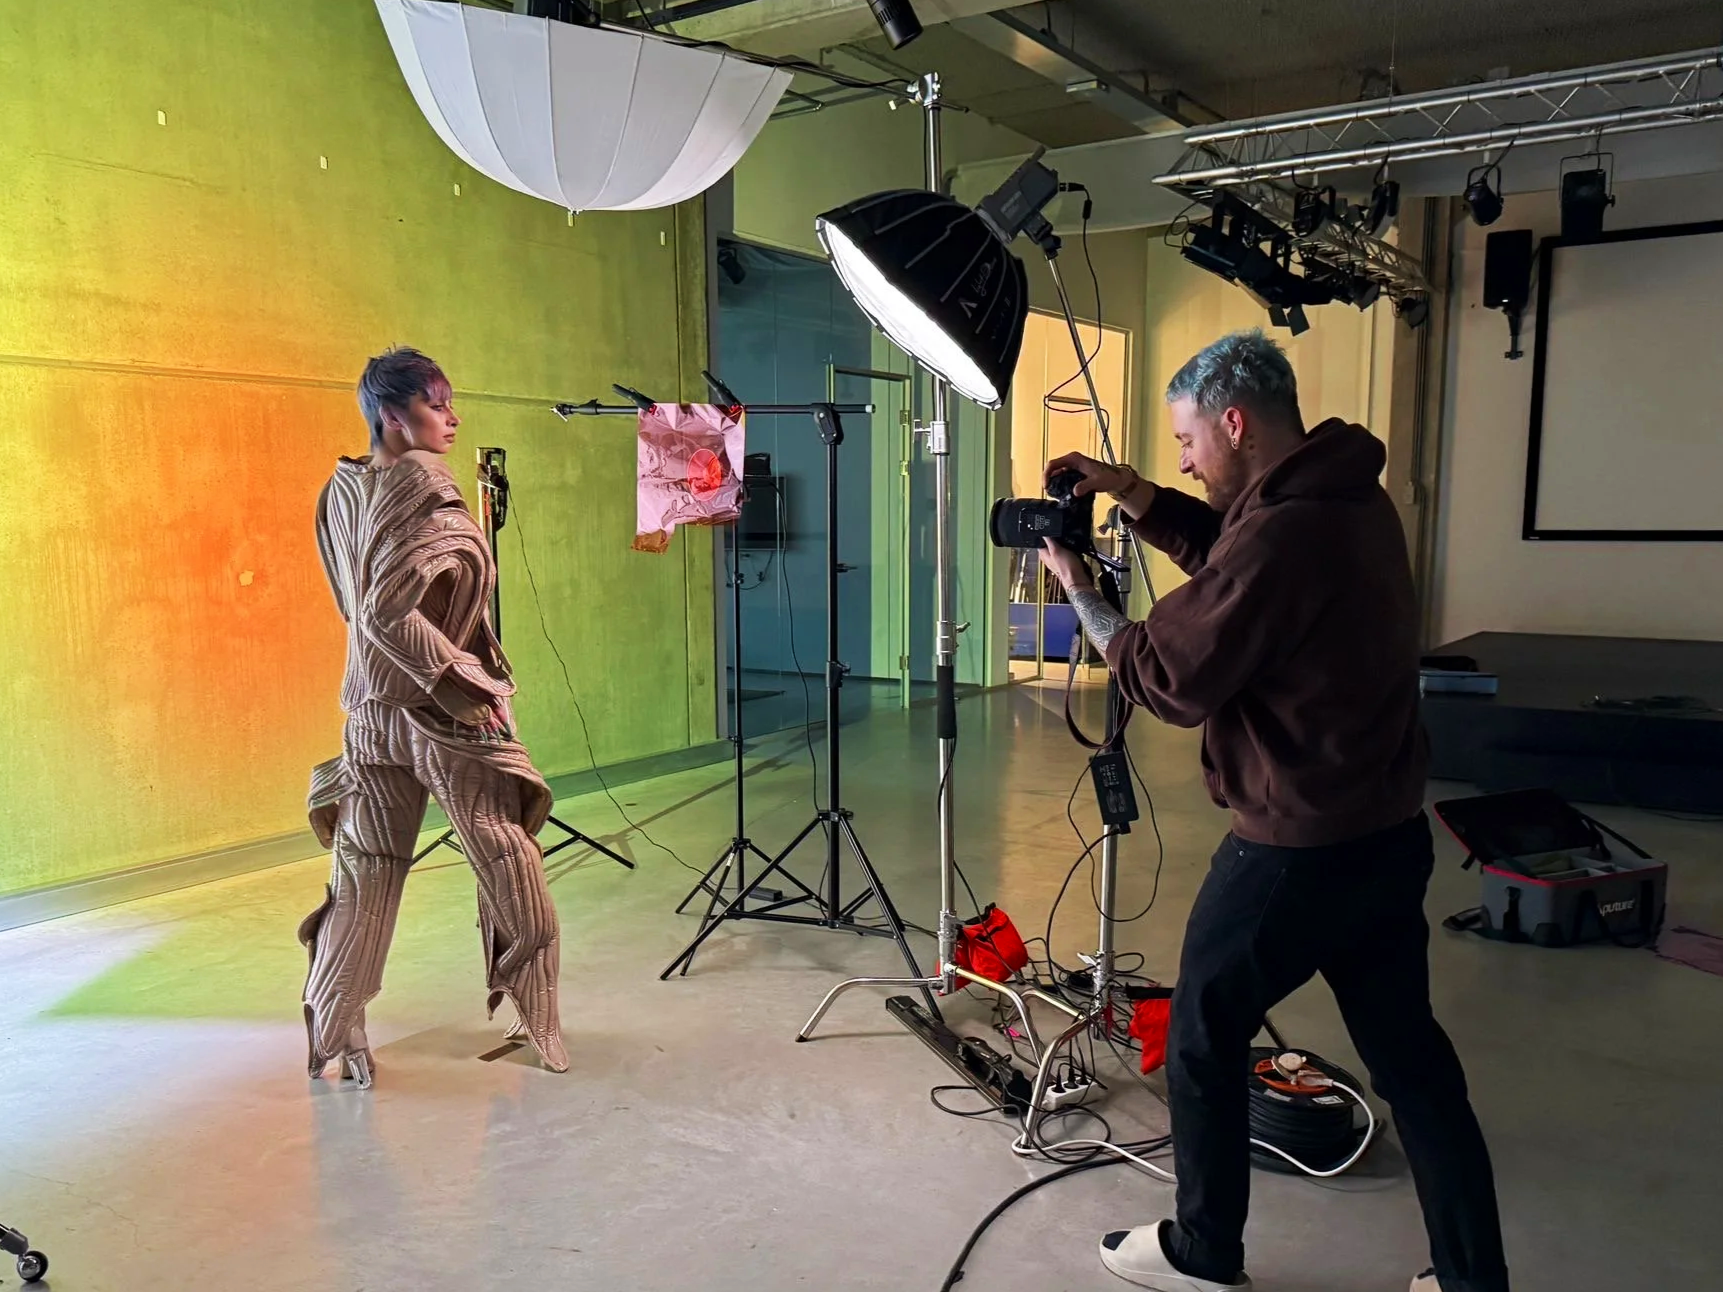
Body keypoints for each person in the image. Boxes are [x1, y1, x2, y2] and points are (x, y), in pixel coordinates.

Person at [1038, 330, 1508, 1292]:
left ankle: (1204, 1255)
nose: (1181, 458)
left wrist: (1080, 594)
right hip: (1382, 835)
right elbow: (1231, 550)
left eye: (1185, 440)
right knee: (1412, 1066)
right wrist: (1131, 489)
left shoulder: (1288, 532)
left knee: (1202, 1040)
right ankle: (1471, 1279)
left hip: (1296, 849)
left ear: (1234, 422)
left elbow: (1168, 679)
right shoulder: (1344, 496)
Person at [299, 346, 568, 1086]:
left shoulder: (342, 488)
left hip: (368, 710)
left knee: (367, 871)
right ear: (393, 414)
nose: (452, 417)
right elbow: (388, 610)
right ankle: (536, 1015)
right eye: (436, 402)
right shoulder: (423, 480)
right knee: (508, 856)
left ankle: (335, 1024)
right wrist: (467, 685)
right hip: (437, 719)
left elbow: (355, 606)